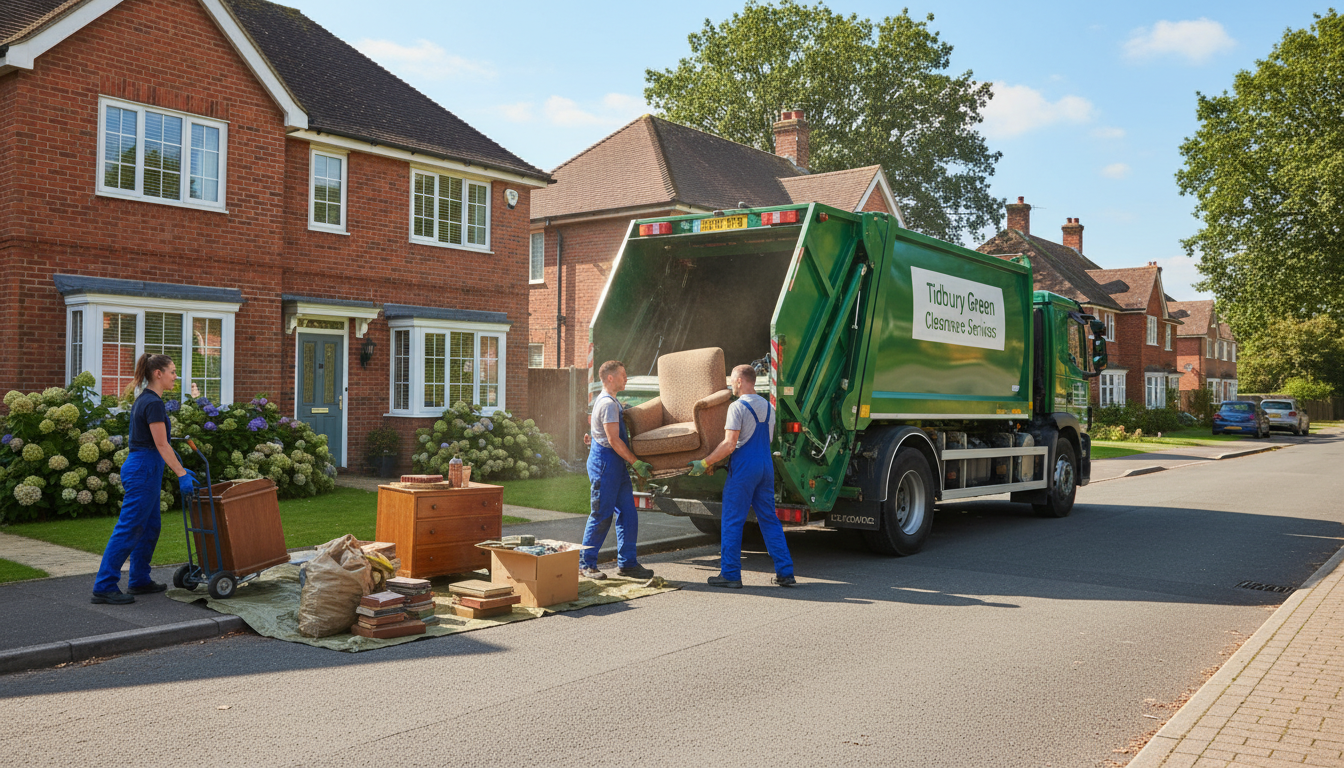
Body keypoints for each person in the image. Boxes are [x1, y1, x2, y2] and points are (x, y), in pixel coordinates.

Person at [91, 354, 199, 604]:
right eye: (172, 371)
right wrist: (181, 474)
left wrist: (178, 467)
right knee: (130, 528)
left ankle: (139, 579)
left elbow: (160, 445)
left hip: (146, 465)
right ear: (158, 374)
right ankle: (104, 585)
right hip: (144, 467)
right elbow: (161, 444)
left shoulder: (148, 400)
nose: (176, 376)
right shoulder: (153, 403)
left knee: (149, 527)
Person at [689, 364, 795, 588]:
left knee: (732, 519)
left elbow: (729, 444)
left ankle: (730, 574)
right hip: (765, 466)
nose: (730, 385)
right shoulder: (768, 407)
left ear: (739, 381)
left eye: (732, 381)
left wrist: (706, 462)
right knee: (769, 519)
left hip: (745, 468)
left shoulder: (737, 408)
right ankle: (785, 572)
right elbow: (764, 440)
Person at [581, 360, 655, 580]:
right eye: (623, 375)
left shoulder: (612, 402)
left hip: (614, 464)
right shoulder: (608, 404)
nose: (626, 378)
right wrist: (636, 462)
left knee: (628, 514)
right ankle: (586, 564)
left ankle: (628, 564)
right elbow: (613, 440)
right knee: (601, 515)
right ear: (610, 378)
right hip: (605, 465)